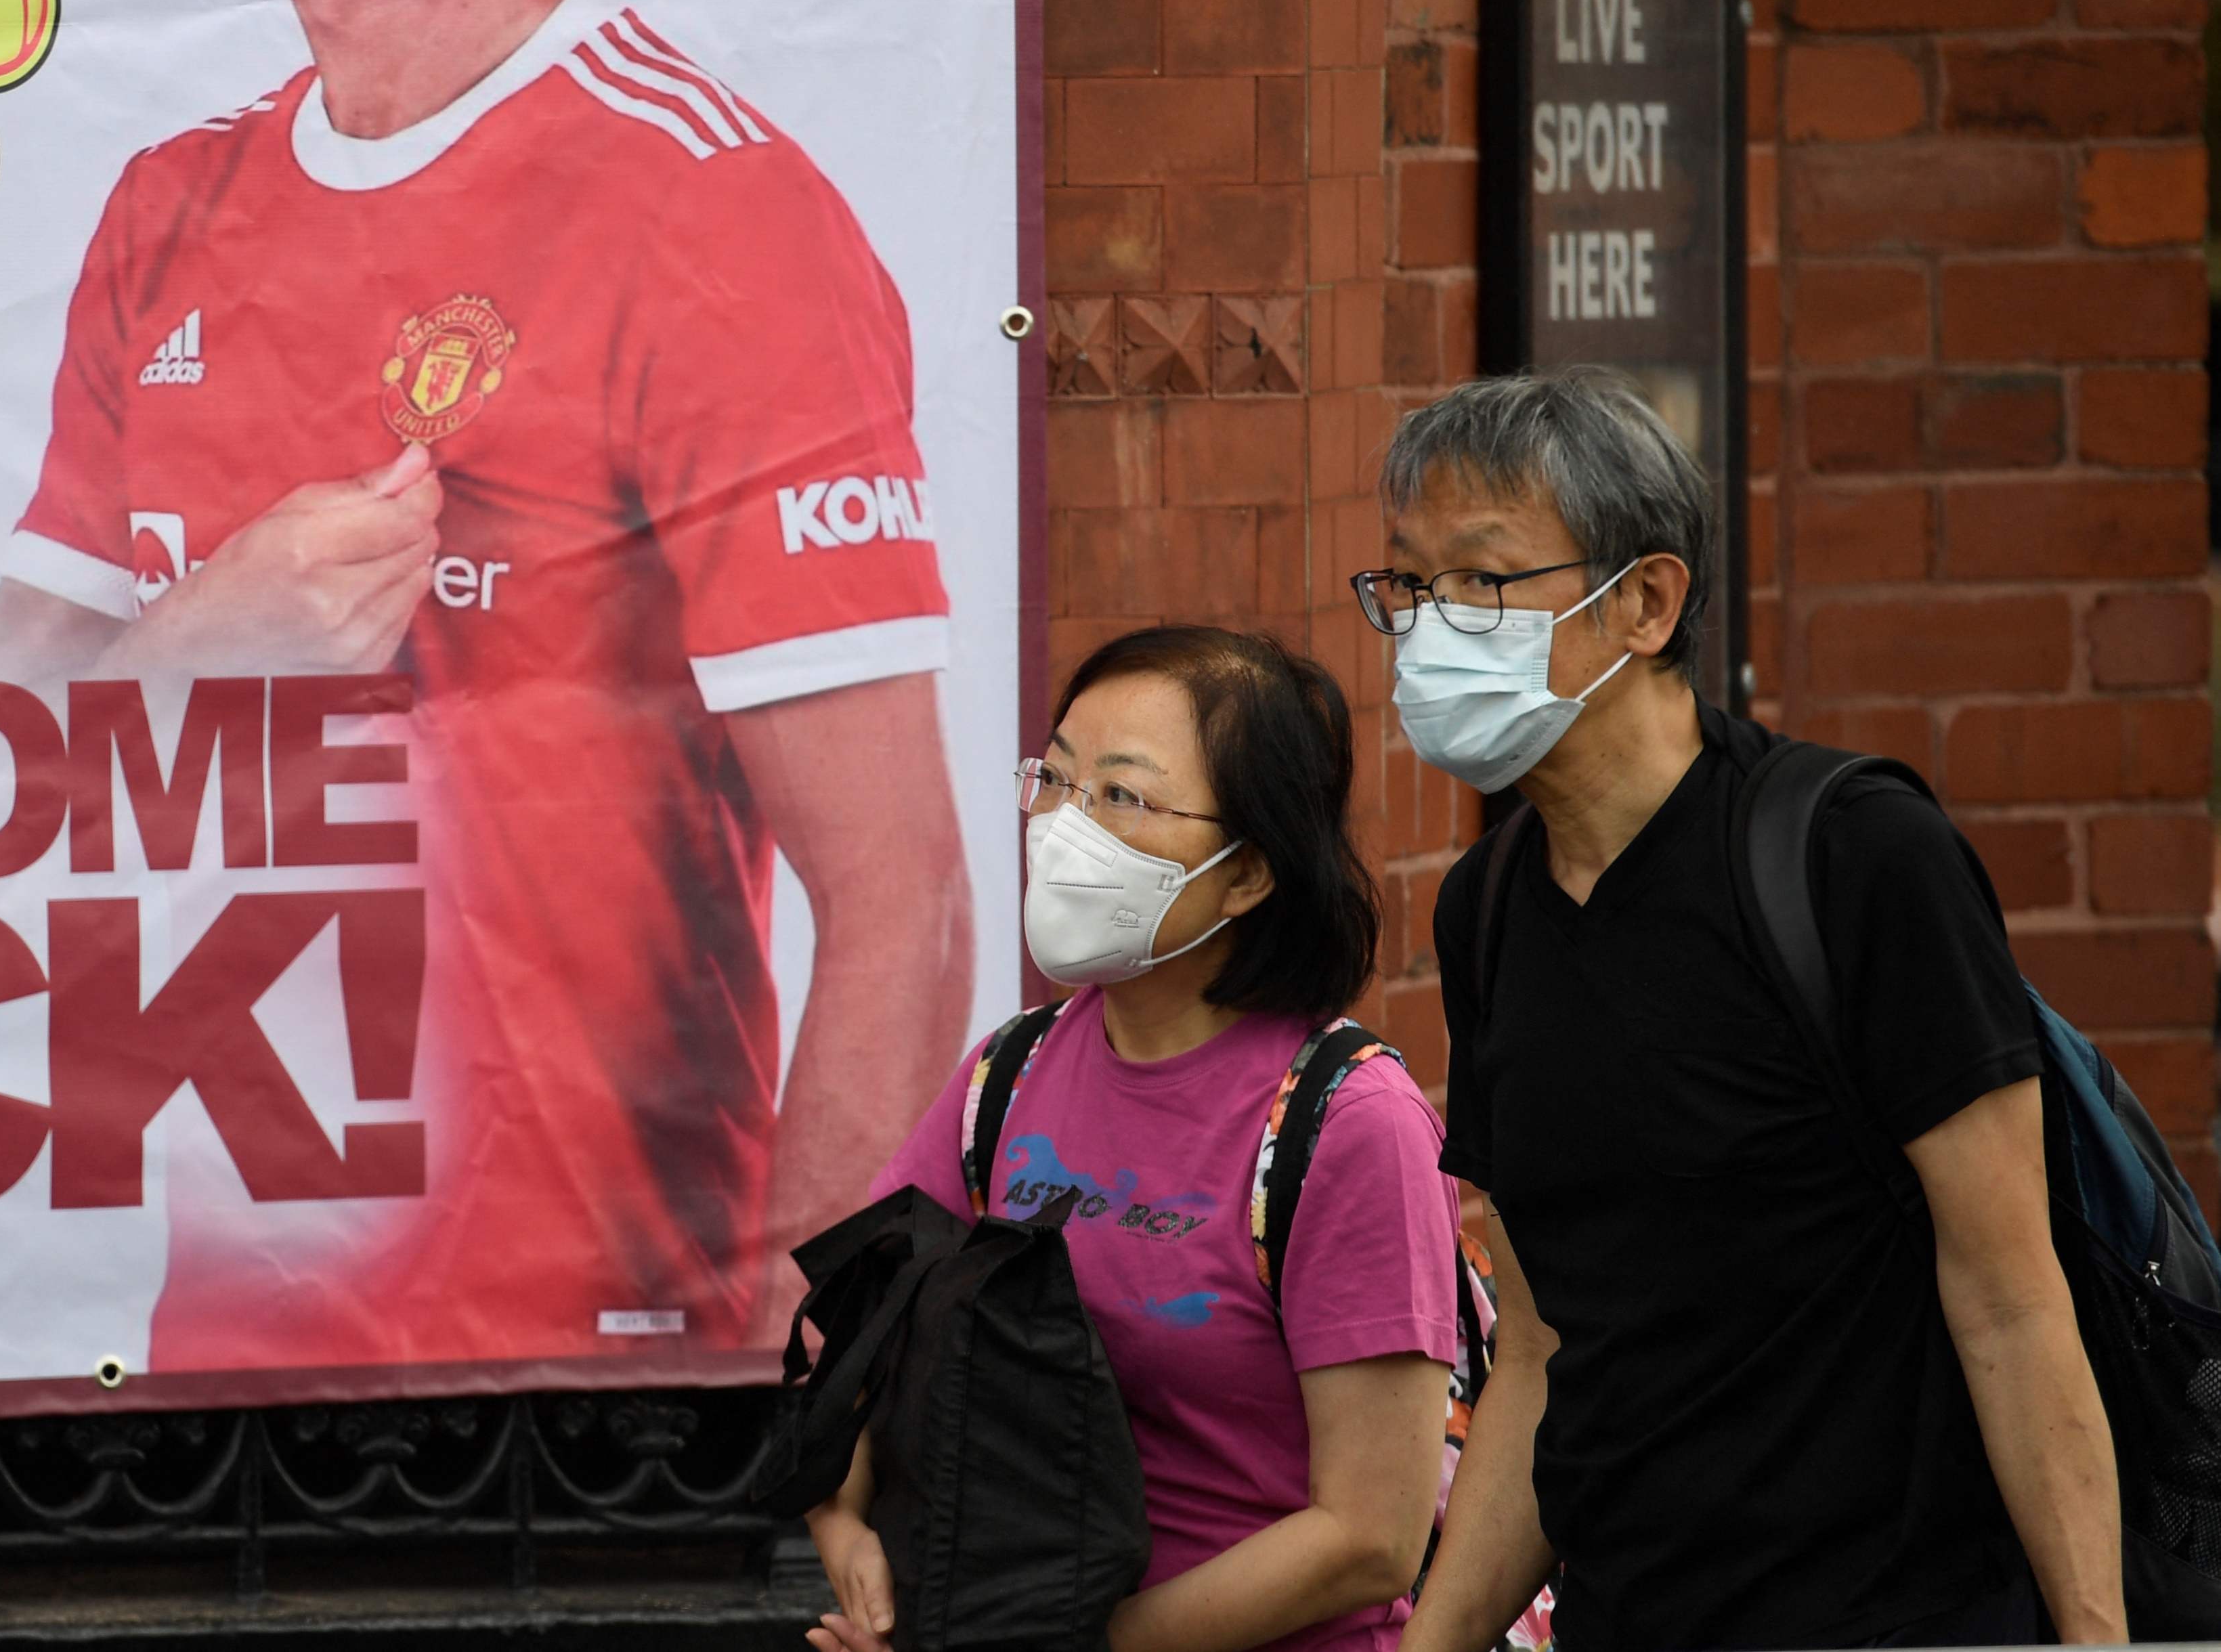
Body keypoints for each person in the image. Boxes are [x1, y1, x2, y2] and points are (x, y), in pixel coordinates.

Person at [0, 0, 974, 1368]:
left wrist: (791, 1388)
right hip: (206, 1368)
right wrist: (203, 641)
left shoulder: (704, 209)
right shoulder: (165, 211)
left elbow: (905, 909)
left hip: (591, 1382)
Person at [1381, 371, 2124, 1651]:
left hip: (1896, 1623)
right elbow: (1546, 1350)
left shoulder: (1855, 858)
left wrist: (2095, 1635)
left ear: (1648, 601)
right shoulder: (1488, 909)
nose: (1431, 625)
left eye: (1483, 581)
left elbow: (2010, 1293)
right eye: (1407, 582)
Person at [814, 626, 1459, 1652]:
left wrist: (1074, 1649)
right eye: (1056, 778)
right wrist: (848, 1531)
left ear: (1248, 873)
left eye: (1121, 795)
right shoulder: (1007, 1076)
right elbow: (859, 1333)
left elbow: (1370, 1538)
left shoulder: (1348, 1123)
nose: (1064, 826)